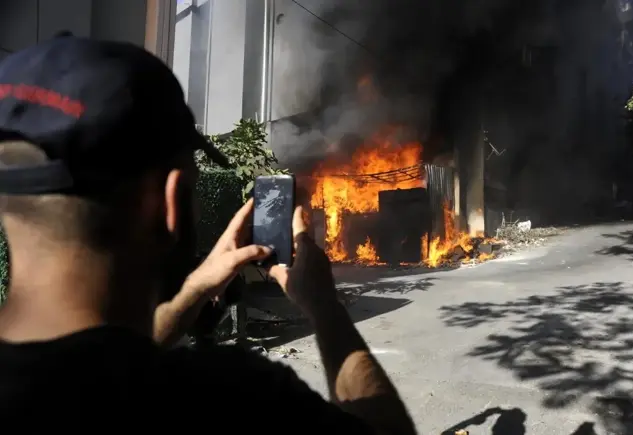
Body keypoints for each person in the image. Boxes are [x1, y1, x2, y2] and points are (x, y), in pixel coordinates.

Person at [0, 36, 416, 433]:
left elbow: (107, 355)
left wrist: (198, 285)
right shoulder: (233, 399)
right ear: (172, 202)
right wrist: (326, 308)